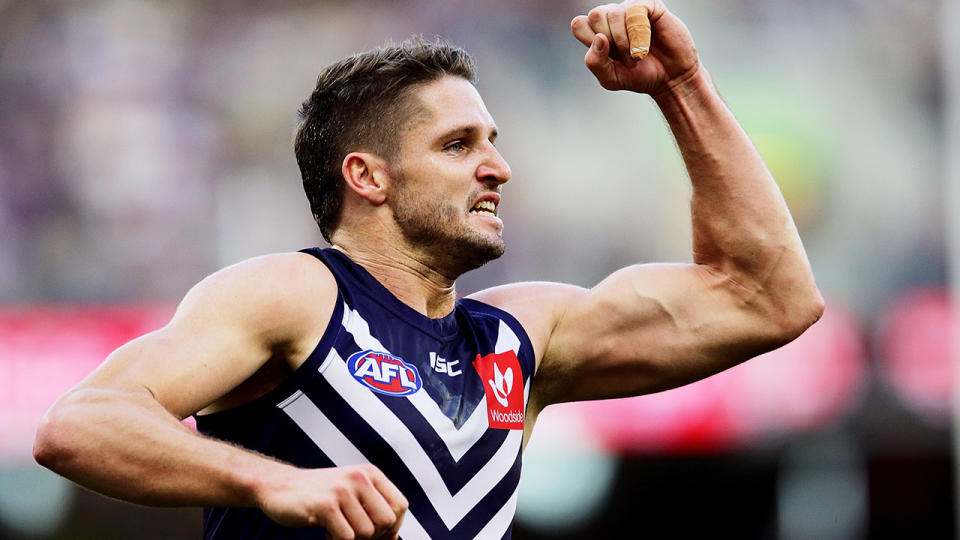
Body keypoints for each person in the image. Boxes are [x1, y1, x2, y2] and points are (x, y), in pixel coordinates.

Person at [33, 1, 824, 539]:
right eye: (458, 145)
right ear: (368, 177)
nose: (499, 167)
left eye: (492, 139)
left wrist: (682, 89)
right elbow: (80, 424)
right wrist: (270, 481)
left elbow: (768, 299)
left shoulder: (519, 338)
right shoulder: (297, 296)